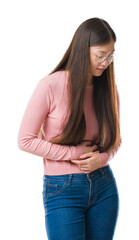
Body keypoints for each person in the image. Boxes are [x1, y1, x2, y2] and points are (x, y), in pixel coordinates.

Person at [17, 17, 122, 240]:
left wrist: (101, 159)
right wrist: (75, 153)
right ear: (82, 50)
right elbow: (25, 140)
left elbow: (116, 139)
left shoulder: (109, 89)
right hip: (62, 190)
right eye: (99, 56)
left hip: (104, 186)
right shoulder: (50, 85)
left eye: (110, 56)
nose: (105, 63)